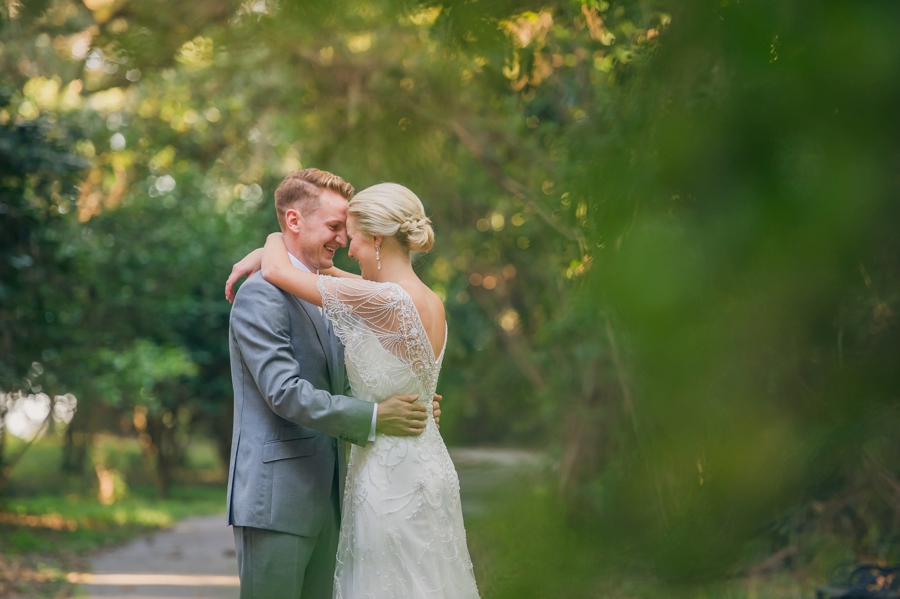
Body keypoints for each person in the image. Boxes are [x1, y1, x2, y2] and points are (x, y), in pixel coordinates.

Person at [230, 179, 480, 598]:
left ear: (378, 240)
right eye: (335, 227)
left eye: (353, 235)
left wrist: (271, 241)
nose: (346, 244)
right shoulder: (422, 300)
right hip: (407, 469)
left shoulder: (379, 300)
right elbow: (287, 388)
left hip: (386, 479)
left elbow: (284, 269)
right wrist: (390, 408)